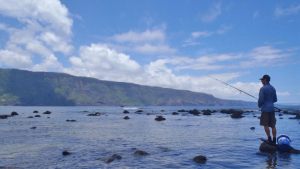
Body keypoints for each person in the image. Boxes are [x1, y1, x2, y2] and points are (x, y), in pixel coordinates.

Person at [258, 74, 277, 144]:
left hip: (265, 109)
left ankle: (269, 139)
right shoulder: (273, 88)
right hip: (272, 108)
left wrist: (259, 105)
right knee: (273, 125)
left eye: (262, 80)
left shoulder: (263, 89)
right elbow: (275, 99)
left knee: (265, 124)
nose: (261, 81)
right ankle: (274, 141)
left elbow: (261, 100)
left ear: (265, 80)